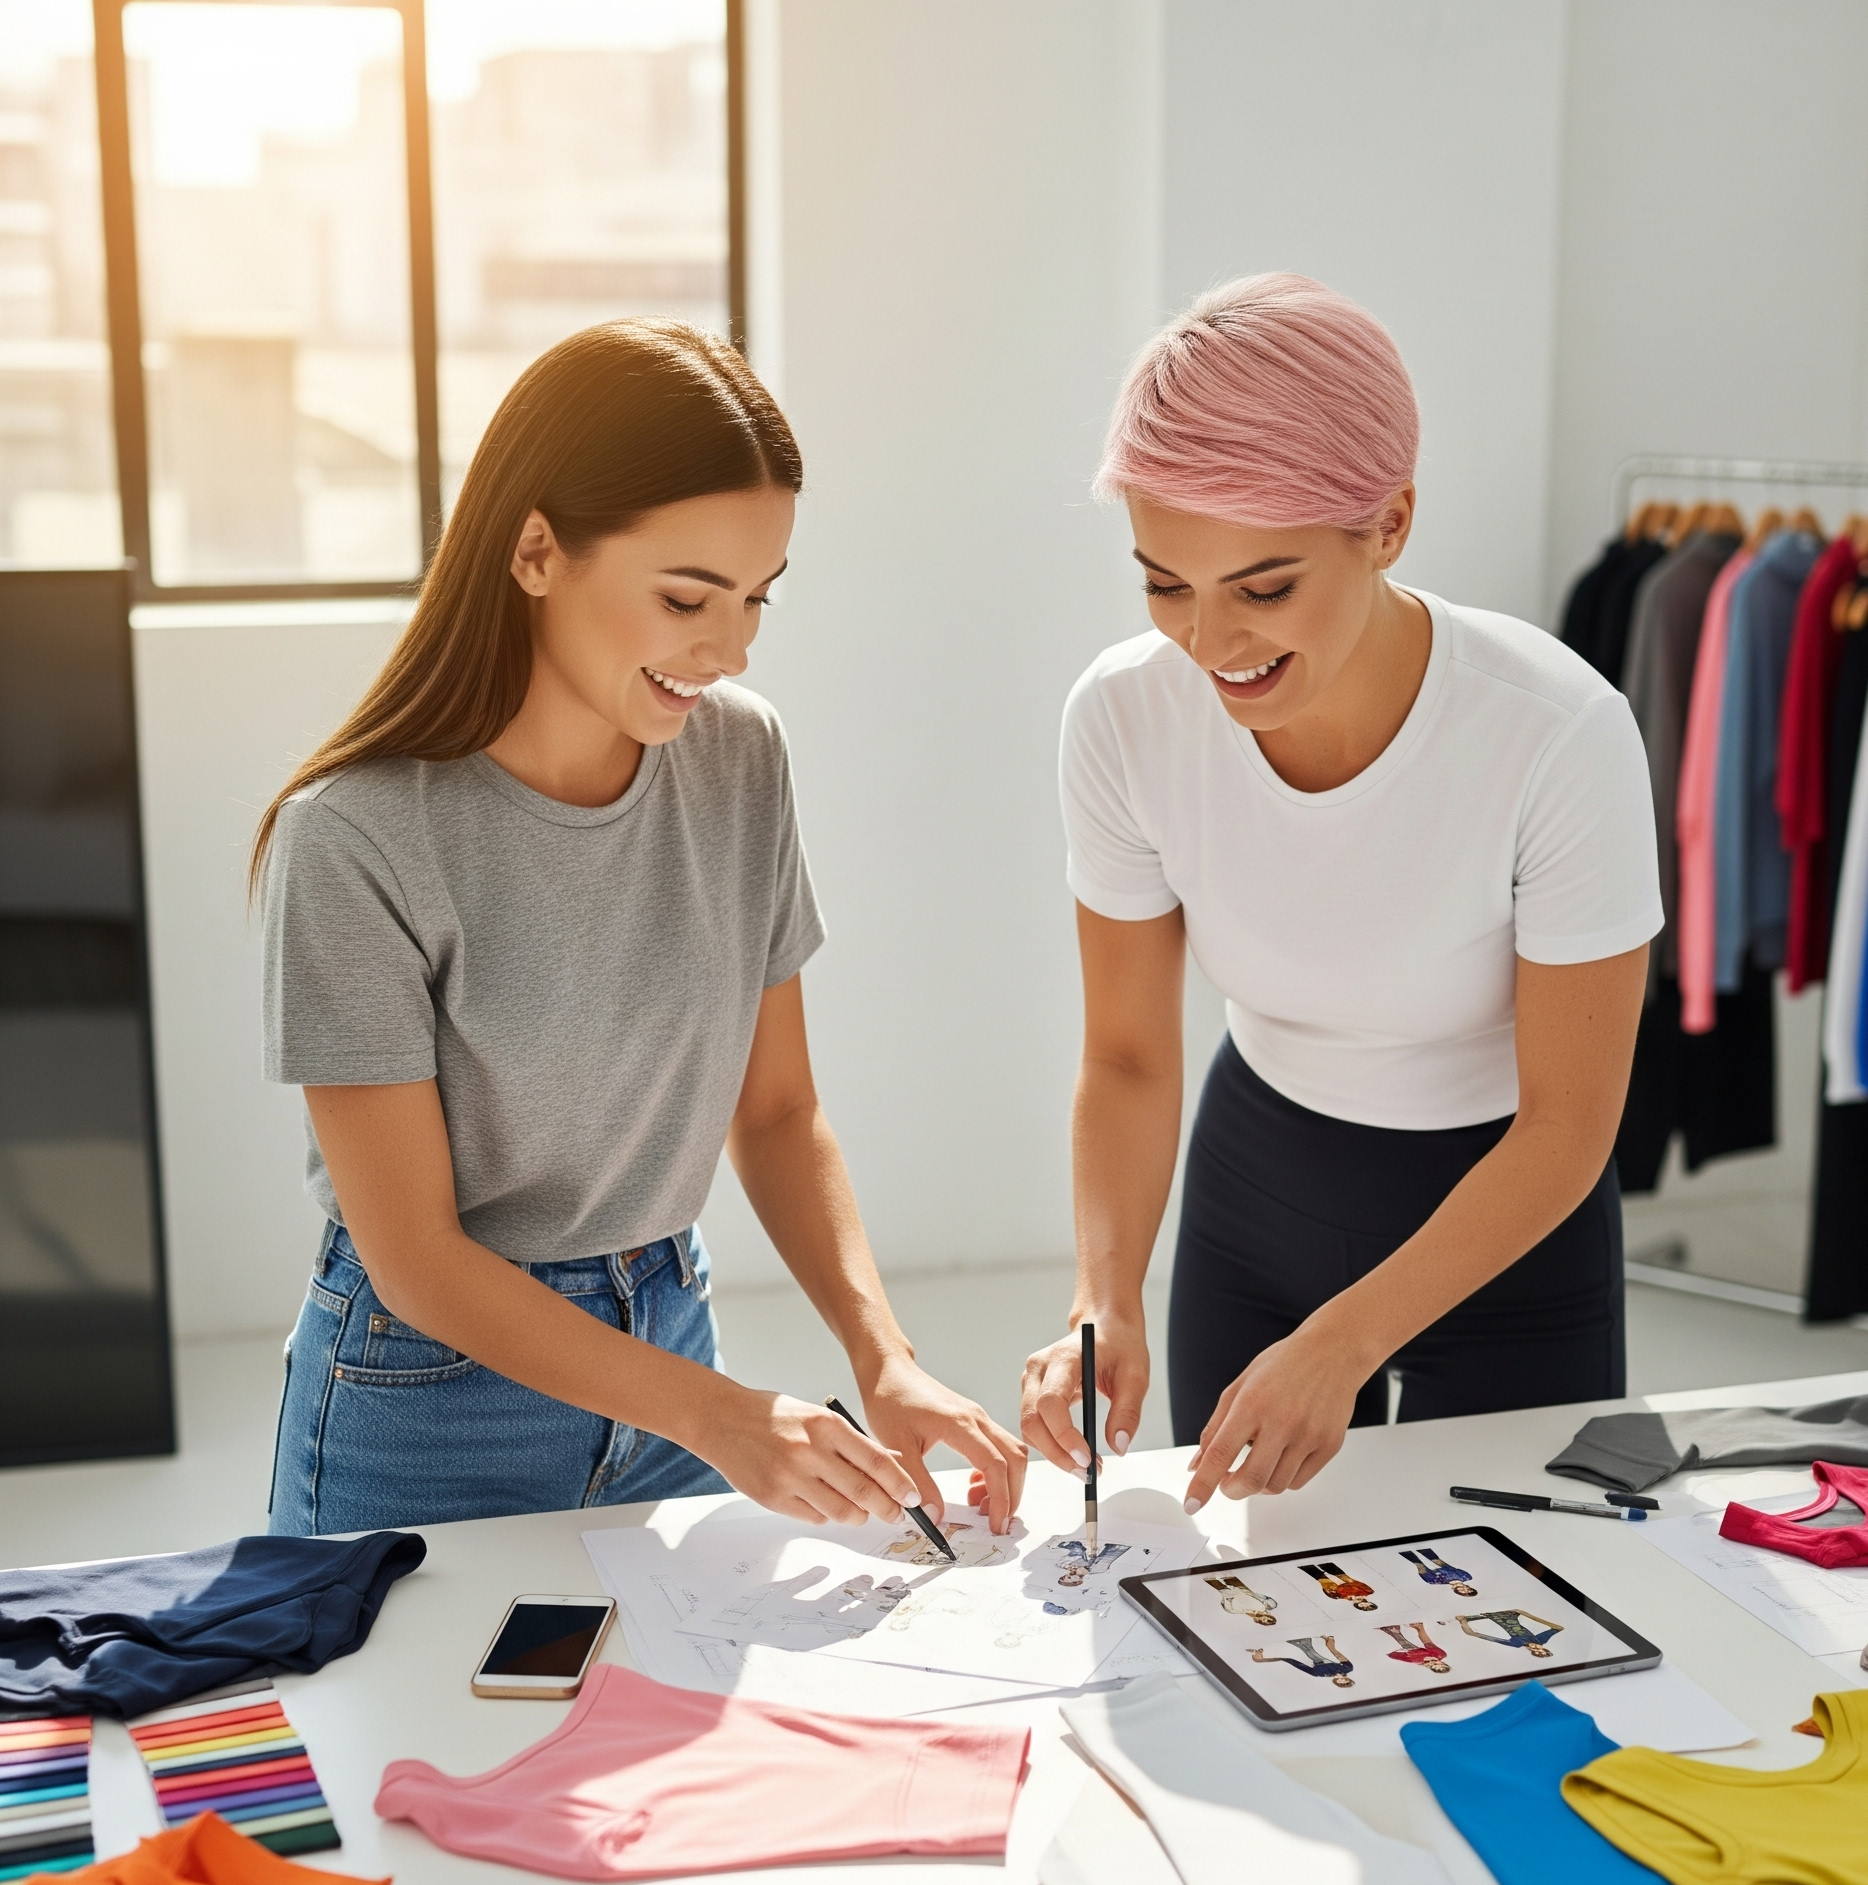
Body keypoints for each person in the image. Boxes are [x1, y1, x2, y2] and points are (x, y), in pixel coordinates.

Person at [256, 321, 1026, 1537]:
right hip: (426, 1397)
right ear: (535, 550)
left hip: (667, 1331)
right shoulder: (353, 837)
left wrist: (881, 1354)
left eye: (756, 597)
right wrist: (720, 1416)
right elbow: (417, 1258)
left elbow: (776, 1110)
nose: (730, 647)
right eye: (685, 597)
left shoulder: (737, 757)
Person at [1018, 274, 1658, 1516]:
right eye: (1164, 583)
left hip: (1512, 1228)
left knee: (1526, 1594)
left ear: (1389, 523)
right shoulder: (1122, 716)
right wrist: (1104, 1298)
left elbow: (1568, 1123)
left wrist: (1345, 1340)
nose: (1209, 644)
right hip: (1256, 1199)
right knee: (1242, 1592)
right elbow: (1129, 1056)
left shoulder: (1557, 733)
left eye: (1262, 587)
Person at [1251, 1636, 1354, 1687]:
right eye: (1345, 1680)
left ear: (1336, 1681)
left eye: (1340, 1682)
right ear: (1348, 1679)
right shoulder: (1347, 1668)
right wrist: (1330, 1642)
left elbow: (1298, 1664)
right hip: (1323, 1652)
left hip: (1308, 1657)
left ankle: (1260, 1654)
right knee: (1323, 1655)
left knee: (1289, 1656)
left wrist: (1265, 1659)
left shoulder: (1319, 1674)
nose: (1341, 1679)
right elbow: (1336, 1654)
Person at [1457, 1610, 1563, 1657]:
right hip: (1510, 1615)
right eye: (1539, 1649)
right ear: (1544, 1648)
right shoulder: (1541, 1640)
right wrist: (1525, 1614)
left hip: (1488, 1618)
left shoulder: (1517, 1644)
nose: (1534, 1648)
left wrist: (1464, 1622)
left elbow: (1474, 1634)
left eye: (1534, 1651)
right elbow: (1558, 1628)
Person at [1402, 1548, 1478, 1596]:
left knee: (1405, 1551)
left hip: (1412, 1557)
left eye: (1463, 1592)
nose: (1465, 1589)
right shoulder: (1466, 1577)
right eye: (1469, 1590)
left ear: (1457, 1591)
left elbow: (1420, 1567)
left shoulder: (1433, 1581)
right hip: (1429, 1554)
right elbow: (1446, 1566)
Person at [1380, 1623, 1452, 1673]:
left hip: (1404, 1649)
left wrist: (1391, 1654)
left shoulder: (1417, 1660)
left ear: (1432, 1668)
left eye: (1436, 1667)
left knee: (1407, 1646)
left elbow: (1401, 1657)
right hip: (1415, 1643)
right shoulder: (1440, 1655)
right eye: (1441, 1665)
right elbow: (1428, 1642)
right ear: (1444, 1663)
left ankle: (1392, 1631)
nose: (1437, 1664)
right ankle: (1394, 1631)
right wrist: (1420, 1628)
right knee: (1410, 1644)